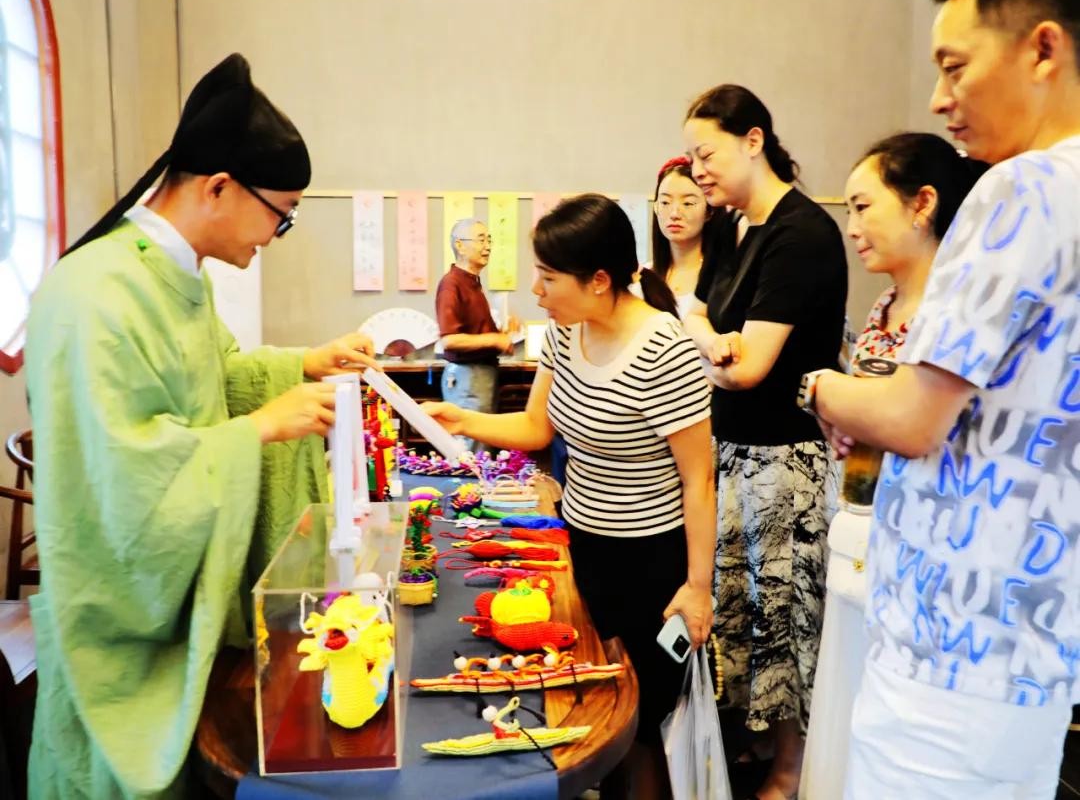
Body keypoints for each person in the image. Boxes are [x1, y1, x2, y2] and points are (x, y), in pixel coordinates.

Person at [23, 53, 379, 799]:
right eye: (281, 215)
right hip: (124, 632)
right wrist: (258, 431)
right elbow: (119, 478)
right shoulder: (95, 293)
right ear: (218, 187)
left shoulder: (175, 275)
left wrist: (302, 364)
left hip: (193, 601)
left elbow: (217, 379)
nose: (276, 234)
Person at [808, 0, 1080, 796]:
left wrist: (823, 388)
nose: (938, 99)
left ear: (1042, 49)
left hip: (950, 647)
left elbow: (912, 416)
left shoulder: (1020, 188)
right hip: (1033, 644)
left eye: (955, 67)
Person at [424, 194, 715, 799]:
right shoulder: (563, 332)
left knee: (644, 719)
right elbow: (537, 428)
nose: (536, 290)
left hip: (650, 559)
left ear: (599, 280)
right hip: (582, 545)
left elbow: (699, 479)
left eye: (549, 277)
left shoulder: (666, 349)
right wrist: (461, 419)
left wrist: (697, 586)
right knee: (593, 698)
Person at [798, 132, 985, 800]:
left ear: (921, 204)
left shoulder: (953, 311)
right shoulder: (883, 305)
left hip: (923, 543)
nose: (851, 227)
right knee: (845, 701)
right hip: (857, 519)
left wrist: (827, 392)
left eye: (862, 207)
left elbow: (909, 422)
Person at [681, 84, 847, 800]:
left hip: (787, 464)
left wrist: (706, 338)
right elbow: (704, 328)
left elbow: (745, 369)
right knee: (743, 617)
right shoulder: (734, 228)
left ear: (754, 140)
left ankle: (793, 768)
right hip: (735, 451)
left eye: (706, 154)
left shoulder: (800, 232)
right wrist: (708, 340)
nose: (697, 172)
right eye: (691, 158)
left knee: (786, 622)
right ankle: (760, 744)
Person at [435, 218, 516, 440]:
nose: (488, 246)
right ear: (459, 245)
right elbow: (449, 340)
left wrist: (502, 335)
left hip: (479, 376)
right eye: (481, 240)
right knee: (471, 448)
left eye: (489, 240)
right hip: (468, 378)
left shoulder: (472, 283)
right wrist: (494, 339)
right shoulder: (452, 283)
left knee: (480, 448)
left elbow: (475, 334)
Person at [650, 156, 710, 318]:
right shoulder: (642, 277)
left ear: (709, 211)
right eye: (665, 202)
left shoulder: (719, 276)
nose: (675, 213)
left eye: (688, 203)